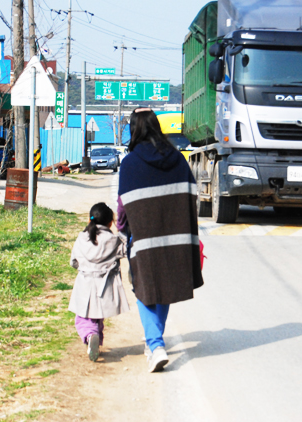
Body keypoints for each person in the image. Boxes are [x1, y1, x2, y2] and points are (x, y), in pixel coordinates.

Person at [117, 108, 204, 373]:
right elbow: (193, 196)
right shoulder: (178, 159)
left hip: (144, 237)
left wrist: (122, 230)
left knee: (143, 287)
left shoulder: (130, 163)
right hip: (175, 235)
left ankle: (155, 345)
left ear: (134, 130)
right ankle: (154, 341)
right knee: (162, 286)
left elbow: (122, 206)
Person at [68, 202, 130, 362]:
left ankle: (91, 336)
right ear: (110, 222)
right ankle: (95, 341)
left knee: (83, 318)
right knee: (97, 317)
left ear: (89, 220)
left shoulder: (82, 238)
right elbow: (126, 250)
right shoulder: (114, 241)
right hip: (105, 288)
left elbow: (73, 262)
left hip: (85, 285)